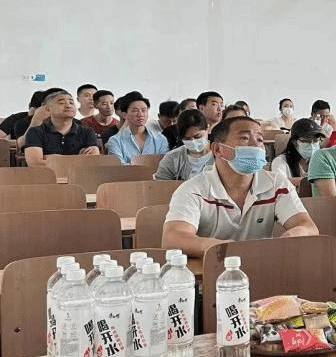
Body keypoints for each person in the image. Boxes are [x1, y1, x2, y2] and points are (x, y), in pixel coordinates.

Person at [162, 116, 318, 257]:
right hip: (215, 268)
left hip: (263, 265)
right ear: (218, 149)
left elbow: (307, 227)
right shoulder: (193, 190)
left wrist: (287, 239)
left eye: (260, 139)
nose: (256, 145)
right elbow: (173, 238)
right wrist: (229, 250)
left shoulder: (276, 183)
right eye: (244, 138)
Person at [23, 90, 101, 166]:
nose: (68, 106)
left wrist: (49, 158)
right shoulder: (36, 132)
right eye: (61, 103)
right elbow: (36, 164)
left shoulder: (87, 132)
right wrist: (78, 159)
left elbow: (92, 163)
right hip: (47, 175)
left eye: (71, 103)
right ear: (47, 108)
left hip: (79, 175)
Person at [107, 92, 170, 163]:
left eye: (144, 110)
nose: (140, 114)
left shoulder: (160, 139)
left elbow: (165, 165)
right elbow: (119, 167)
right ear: (125, 115)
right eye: (135, 111)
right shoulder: (115, 141)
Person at [154, 109, 214, 181]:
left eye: (197, 137)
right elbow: (160, 184)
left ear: (208, 129)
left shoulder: (220, 156)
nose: (193, 142)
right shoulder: (173, 158)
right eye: (187, 139)